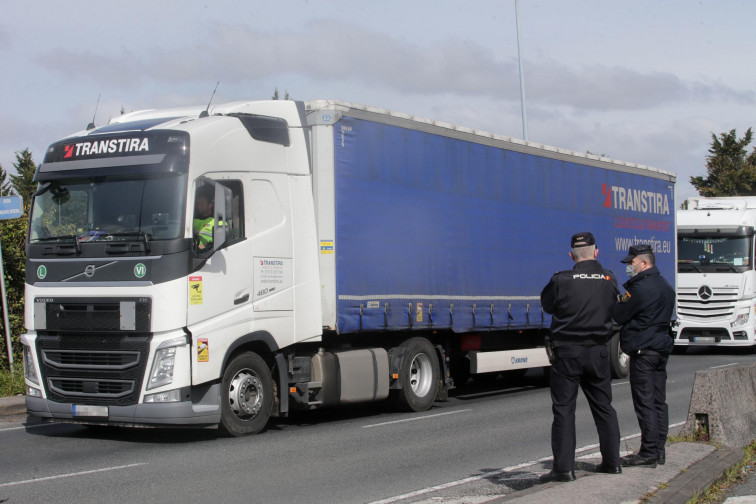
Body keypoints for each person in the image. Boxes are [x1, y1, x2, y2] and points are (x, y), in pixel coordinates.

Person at [539, 232, 622, 482]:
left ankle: (564, 469)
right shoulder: (609, 278)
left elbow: (548, 306)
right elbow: (614, 308)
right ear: (597, 252)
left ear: (571, 255)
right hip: (598, 351)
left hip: (568, 352)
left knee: (564, 410)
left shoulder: (561, 279)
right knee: (604, 407)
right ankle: (612, 462)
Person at [613, 244, 675, 468]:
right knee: (659, 402)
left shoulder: (639, 289)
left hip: (644, 351)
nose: (630, 266)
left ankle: (648, 451)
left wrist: (620, 300)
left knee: (645, 402)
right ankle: (659, 450)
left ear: (645, 263)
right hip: (660, 349)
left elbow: (619, 314)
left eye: (632, 263)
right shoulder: (666, 286)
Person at [193, 185, 215, 250]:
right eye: (198, 204)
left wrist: (207, 246)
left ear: (210, 205)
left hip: (210, 253)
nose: (199, 206)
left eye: (202, 204)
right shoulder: (193, 221)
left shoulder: (218, 222)